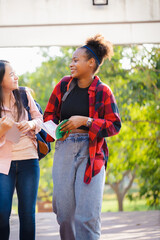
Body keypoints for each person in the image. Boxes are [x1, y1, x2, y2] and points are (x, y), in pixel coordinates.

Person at [43, 34, 121, 240]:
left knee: (87, 216)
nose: (71, 64)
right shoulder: (63, 86)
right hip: (65, 149)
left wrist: (85, 121)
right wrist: (56, 131)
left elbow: (114, 125)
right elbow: (48, 117)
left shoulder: (104, 91)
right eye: (71, 60)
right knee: (65, 215)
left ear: (91, 62)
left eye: (76, 60)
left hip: (92, 153)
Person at [0, 60, 43, 240]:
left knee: (28, 215)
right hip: (3, 166)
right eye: (11, 74)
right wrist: (2, 131)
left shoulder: (24, 95)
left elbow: (39, 119)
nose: (16, 77)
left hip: (29, 161)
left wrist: (30, 124)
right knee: (1, 215)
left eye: (15, 73)